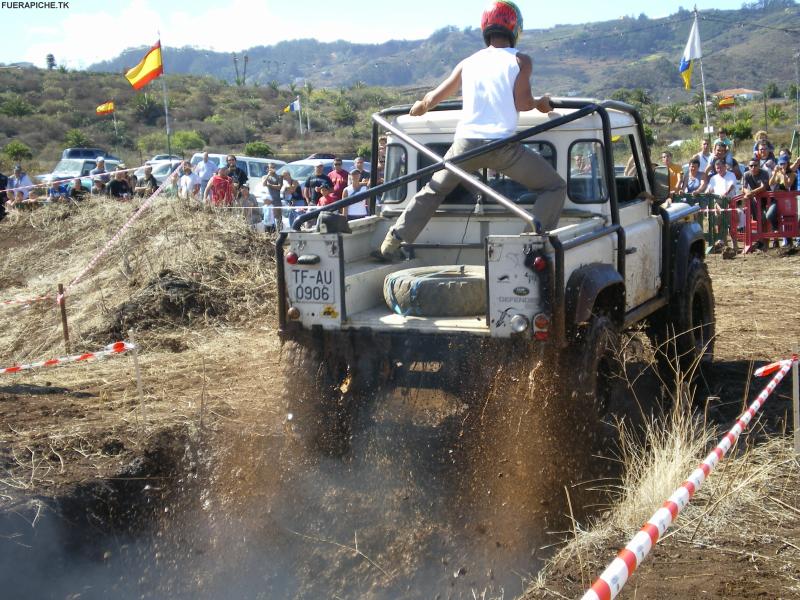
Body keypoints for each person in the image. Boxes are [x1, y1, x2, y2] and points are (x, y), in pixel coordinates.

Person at [374, 1, 566, 260]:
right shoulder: (521, 60)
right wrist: (541, 104)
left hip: (464, 146)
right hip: (502, 148)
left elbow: (434, 96)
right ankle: (529, 247)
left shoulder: (469, 62)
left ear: (485, 27)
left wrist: (420, 107)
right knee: (554, 187)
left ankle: (393, 241)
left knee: (434, 190)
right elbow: (522, 103)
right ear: (515, 28)